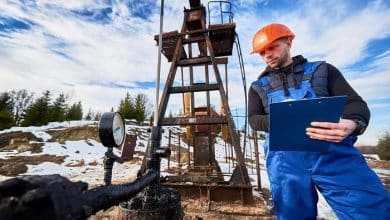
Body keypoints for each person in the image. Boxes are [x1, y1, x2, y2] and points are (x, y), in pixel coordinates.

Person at [248, 23, 390, 219]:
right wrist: (285, 118)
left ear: (289, 42)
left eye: (273, 47)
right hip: (285, 164)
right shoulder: (258, 87)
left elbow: (355, 104)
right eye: (262, 52)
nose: (267, 55)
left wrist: (352, 124)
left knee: (370, 211)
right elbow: (254, 120)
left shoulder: (322, 71)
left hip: (333, 156)